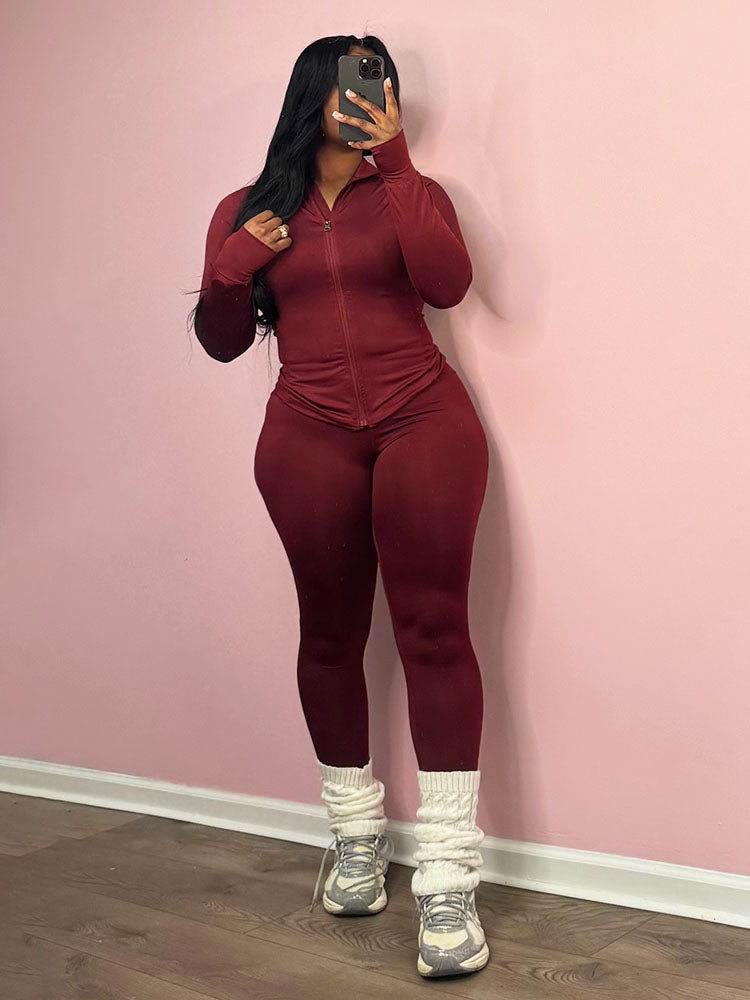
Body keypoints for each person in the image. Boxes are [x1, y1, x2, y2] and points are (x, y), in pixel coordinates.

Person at [189, 34, 490, 979]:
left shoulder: (412, 189)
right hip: (307, 430)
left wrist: (396, 167)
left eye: (383, 80)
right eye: (357, 78)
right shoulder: (246, 208)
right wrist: (231, 268)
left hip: (423, 419)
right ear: (312, 90)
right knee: (328, 634)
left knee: (434, 630)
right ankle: (356, 836)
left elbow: (447, 285)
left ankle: (448, 873)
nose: (371, 93)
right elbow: (222, 342)